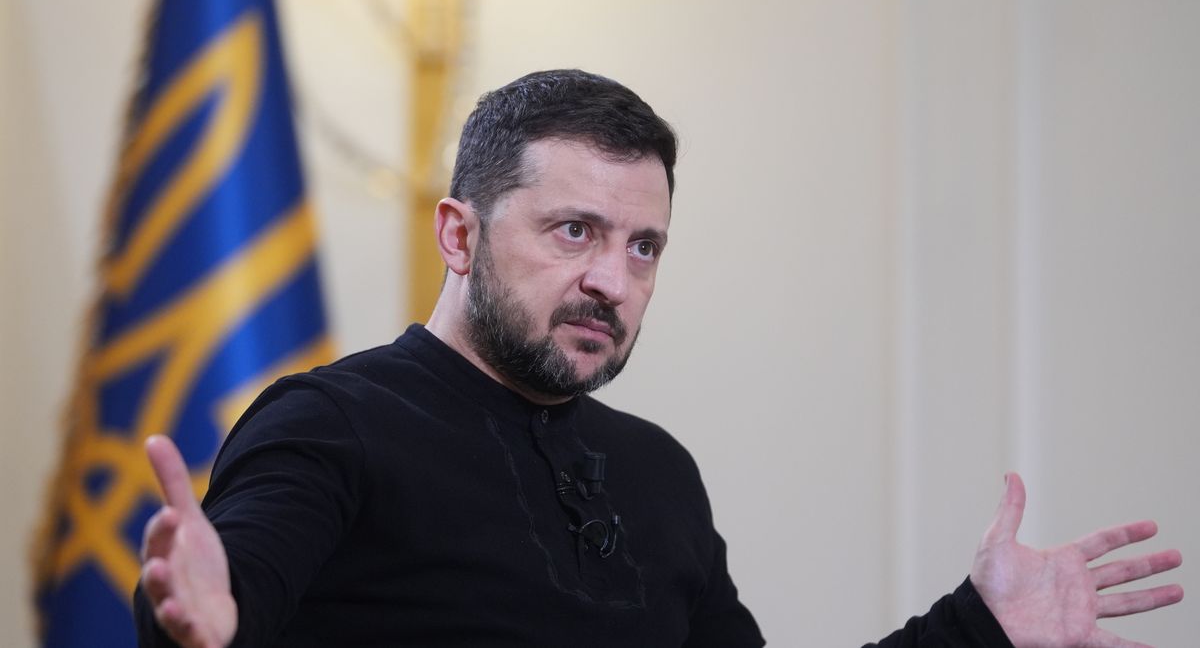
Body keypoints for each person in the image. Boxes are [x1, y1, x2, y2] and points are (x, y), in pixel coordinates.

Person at [136, 69, 1183, 647]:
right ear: (459, 235)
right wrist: (202, 625)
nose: (615, 280)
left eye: (645, 247)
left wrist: (978, 630)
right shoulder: (332, 420)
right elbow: (228, 597)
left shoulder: (654, 471)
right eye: (575, 231)